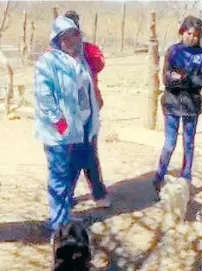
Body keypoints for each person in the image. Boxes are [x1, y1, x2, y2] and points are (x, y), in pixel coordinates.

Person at [34, 16, 110, 231]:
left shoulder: (81, 60)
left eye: (74, 35)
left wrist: (92, 121)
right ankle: (58, 228)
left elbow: (88, 91)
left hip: (83, 128)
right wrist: (60, 124)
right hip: (59, 133)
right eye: (65, 37)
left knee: (72, 172)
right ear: (57, 40)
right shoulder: (47, 62)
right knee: (59, 178)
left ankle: (65, 218)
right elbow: (44, 97)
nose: (71, 41)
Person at [153, 15, 202, 197]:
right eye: (188, 33)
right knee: (170, 143)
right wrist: (187, 79)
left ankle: (186, 177)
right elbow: (167, 79)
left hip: (192, 105)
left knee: (189, 143)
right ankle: (159, 176)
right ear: (182, 32)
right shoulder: (173, 51)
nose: (191, 37)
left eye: (195, 35)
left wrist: (185, 77)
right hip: (172, 103)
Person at [62, 10, 107, 207]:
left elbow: (99, 64)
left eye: (75, 32)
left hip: (89, 110)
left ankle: (98, 193)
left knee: (90, 151)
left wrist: (82, 53)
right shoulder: (54, 55)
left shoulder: (90, 50)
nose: (71, 37)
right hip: (67, 113)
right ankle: (66, 194)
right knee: (70, 154)